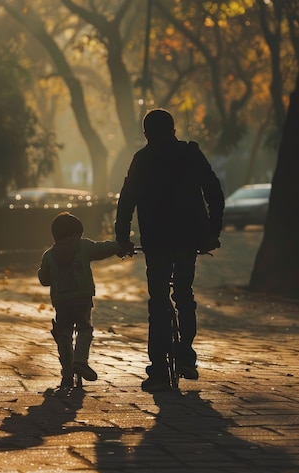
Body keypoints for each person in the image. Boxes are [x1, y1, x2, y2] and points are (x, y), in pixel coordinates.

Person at [115, 108, 225, 393]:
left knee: (158, 300)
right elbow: (214, 192)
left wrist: (122, 238)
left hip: (156, 240)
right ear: (174, 130)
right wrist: (213, 231)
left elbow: (126, 200)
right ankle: (186, 355)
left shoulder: (142, 159)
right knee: (184, 294)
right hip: (190, 237)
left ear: (146, 134)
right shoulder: (191, 154)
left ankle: (159, 370)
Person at [38, 212, 127, 390]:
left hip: (61, 301)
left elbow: (44, 279)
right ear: (76, 234)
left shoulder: (49, 255)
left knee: (64, 334)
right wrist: (120, 247)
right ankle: (80, 360)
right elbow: (102, 248)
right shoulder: (83, 246)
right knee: (84, 329)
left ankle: (67, 372)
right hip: (82, 298)